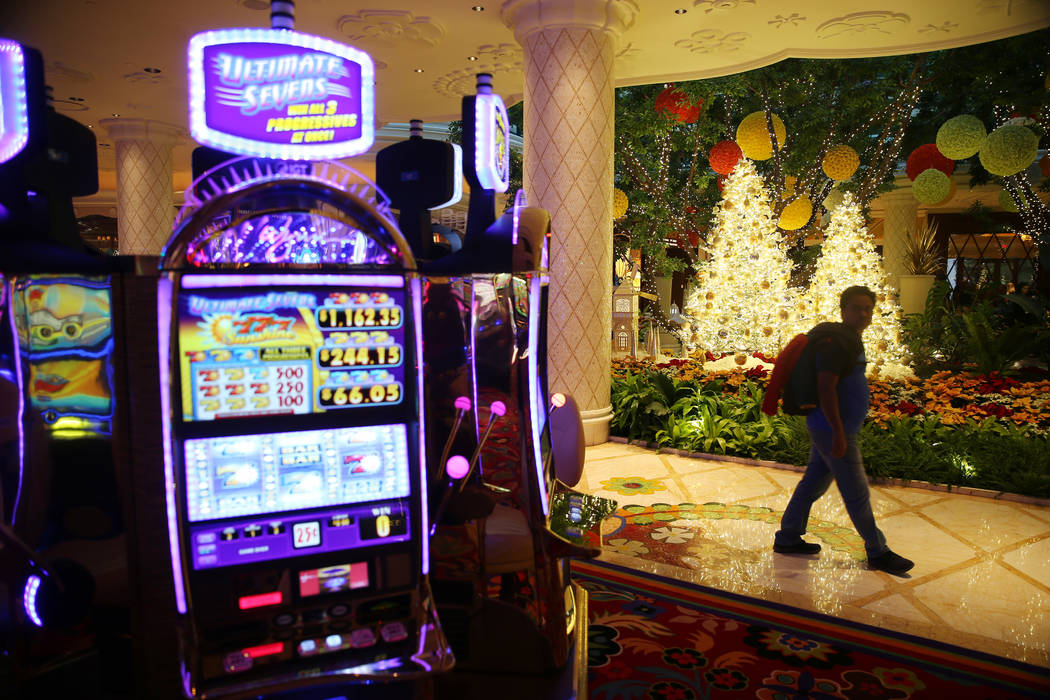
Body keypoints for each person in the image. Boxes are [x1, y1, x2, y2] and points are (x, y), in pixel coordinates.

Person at [773, 286, 914, 576]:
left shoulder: (847, 339)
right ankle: (878, 551)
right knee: (856, 492)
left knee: (813, 484)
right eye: (856, 308)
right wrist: (838, 431)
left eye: (868, 309)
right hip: (831, 429)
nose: (863, 314)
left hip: (831, 427)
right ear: (843, 310)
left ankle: (787, 537)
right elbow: (826, 387)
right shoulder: (837, 343)